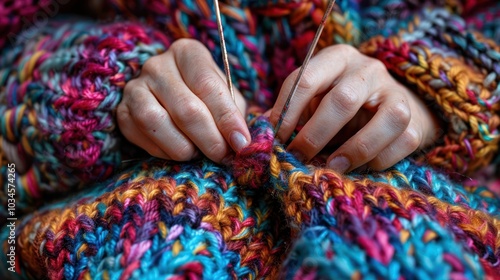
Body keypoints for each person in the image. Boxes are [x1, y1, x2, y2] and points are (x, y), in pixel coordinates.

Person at [0, 0, 499, 279]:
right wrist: (101, 86)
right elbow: (14, 37)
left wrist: (431, 89)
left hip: (421, 188)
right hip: (133, 195)